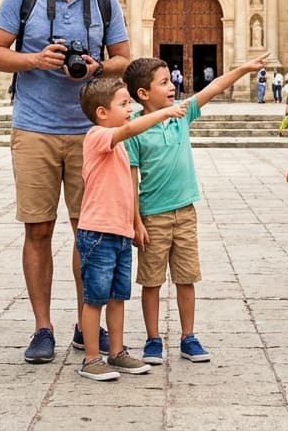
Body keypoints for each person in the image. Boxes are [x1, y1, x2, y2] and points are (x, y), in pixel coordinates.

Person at [0, 0, 130, 364]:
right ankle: (42, 327)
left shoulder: (104, 1)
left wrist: (96, 68)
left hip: (92, 136)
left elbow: (123, 58)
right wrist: (35, 60)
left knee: (90, 235)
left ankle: (88, 327)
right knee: (38, 229)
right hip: (35, 130)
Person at [124, 52, 269, 365]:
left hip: (185, 212)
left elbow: (213, 89)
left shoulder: (181, 114)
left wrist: (242, 68)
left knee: (186, 277)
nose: (172, 85)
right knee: (151, 281)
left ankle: (188, 336)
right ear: (143, 94)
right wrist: (136, 222)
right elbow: (131, 180)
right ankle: (152, 339)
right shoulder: (134, 130)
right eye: (164, 82)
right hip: (153, 216)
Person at [73, 77, 186, 381]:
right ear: (101, 113)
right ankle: (92, 358)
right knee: (94, 297)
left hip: (120, 233)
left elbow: (127, 187)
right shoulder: (98, 136)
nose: (131, 109)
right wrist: (162, 113)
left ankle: (117, 352)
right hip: (97, 233)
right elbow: (127, 129)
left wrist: (134, 224)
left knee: (117, 296)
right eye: (124, 104)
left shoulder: (120, 146)